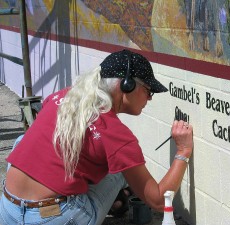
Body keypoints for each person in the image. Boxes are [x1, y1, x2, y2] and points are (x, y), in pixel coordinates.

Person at [0, 49, 193, 225]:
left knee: (21, 142)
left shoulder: (63, 97)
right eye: (148, 90)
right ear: (127, 85)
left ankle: (118, 199)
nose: (150, 98)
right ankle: (118, 196)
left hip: (7, 208)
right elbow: (159, 200)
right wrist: (183, 151)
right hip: (54, 217)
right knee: (119, 171)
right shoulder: (117, 135)